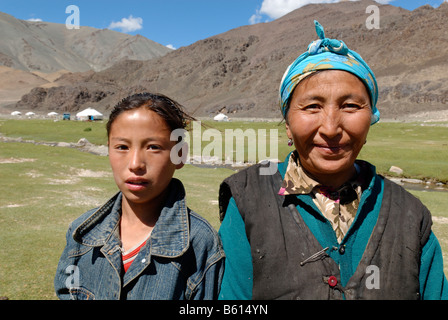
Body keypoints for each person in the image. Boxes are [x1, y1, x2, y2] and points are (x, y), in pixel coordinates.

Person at [218, 21, 448, 300]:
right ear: (288, 124)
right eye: (312, 106)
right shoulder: (247, 200)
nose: (330, 128)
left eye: (351, 106)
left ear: (371, 118)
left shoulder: (411, 215)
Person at [54, 93, 224, 300]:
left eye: (153, 147)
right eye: (122, 147)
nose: (135, 163)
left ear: (180, 154)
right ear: (108, 149)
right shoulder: (82, 233)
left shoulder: (200, 244)